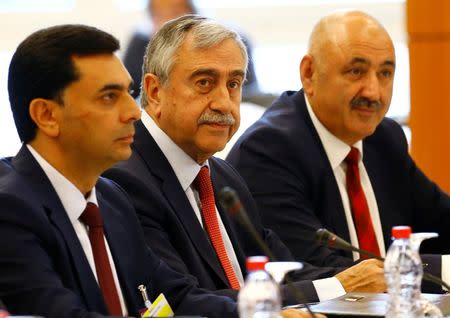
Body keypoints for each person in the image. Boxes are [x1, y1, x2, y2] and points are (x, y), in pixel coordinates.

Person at [104, 14, 386, 307]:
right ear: (154, 91)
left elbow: (286, 274)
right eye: (204, 82)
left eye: (234, 83)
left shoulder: (223, 177)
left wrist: (365, 280)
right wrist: (338, 286)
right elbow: (181, 301)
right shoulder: (125, 181)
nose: (224, 103)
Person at [0, 23, 245, 318]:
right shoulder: (10, 211)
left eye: (129, 93)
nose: (133, 111)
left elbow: (174, 298)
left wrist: (261, 313)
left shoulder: (111, 198)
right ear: (47, 115)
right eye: (109, 97)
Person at [226, 10, 450, 291]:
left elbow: (443, 221)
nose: (373, 92)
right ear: (309, 73)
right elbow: (318, 271)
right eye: (356, 71)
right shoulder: (268, 151)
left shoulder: (384, 137)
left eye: (385, 74)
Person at [123, 0, 260, 100]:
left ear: (193, 14)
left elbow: (250, 94)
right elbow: (128, 92)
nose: (166, 22)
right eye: (158, 15)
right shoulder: (140, 43)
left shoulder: (232, 41)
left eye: (175, 13)